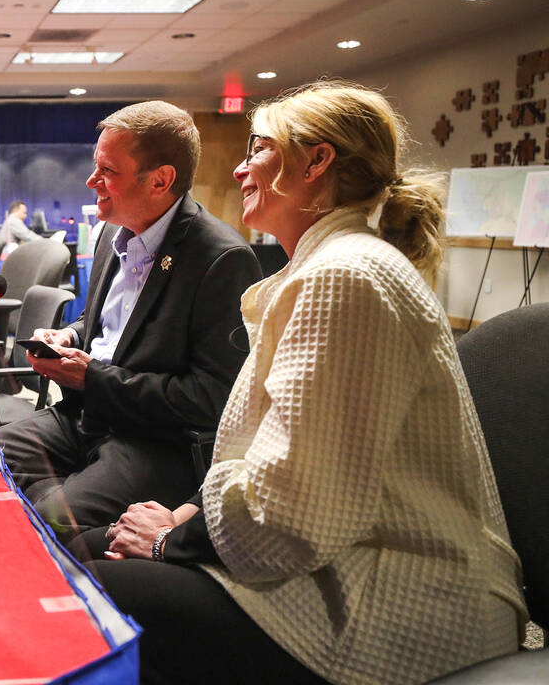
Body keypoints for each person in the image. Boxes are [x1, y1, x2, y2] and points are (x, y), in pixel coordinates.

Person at [73, 82, 526, 684]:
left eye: (258, 147)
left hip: (398, 606)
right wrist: (185, 518)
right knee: (83, 552)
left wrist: (168, 542)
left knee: (80, 586)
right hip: (339, 563)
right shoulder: (331, 267)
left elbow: (289, 517)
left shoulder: (346, 276)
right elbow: (273, 467)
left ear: (317, 162)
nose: (238, 166)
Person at [0, 101, 261, 539]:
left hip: (153, 441)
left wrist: (91, 378)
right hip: (83, 418)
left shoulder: (221, 259)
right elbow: (107, 329)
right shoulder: (111, 234)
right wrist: (70, 335)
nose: (91, 181)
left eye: (108, 171)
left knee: (42, 525)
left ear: (161, 180)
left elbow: (213, 399)